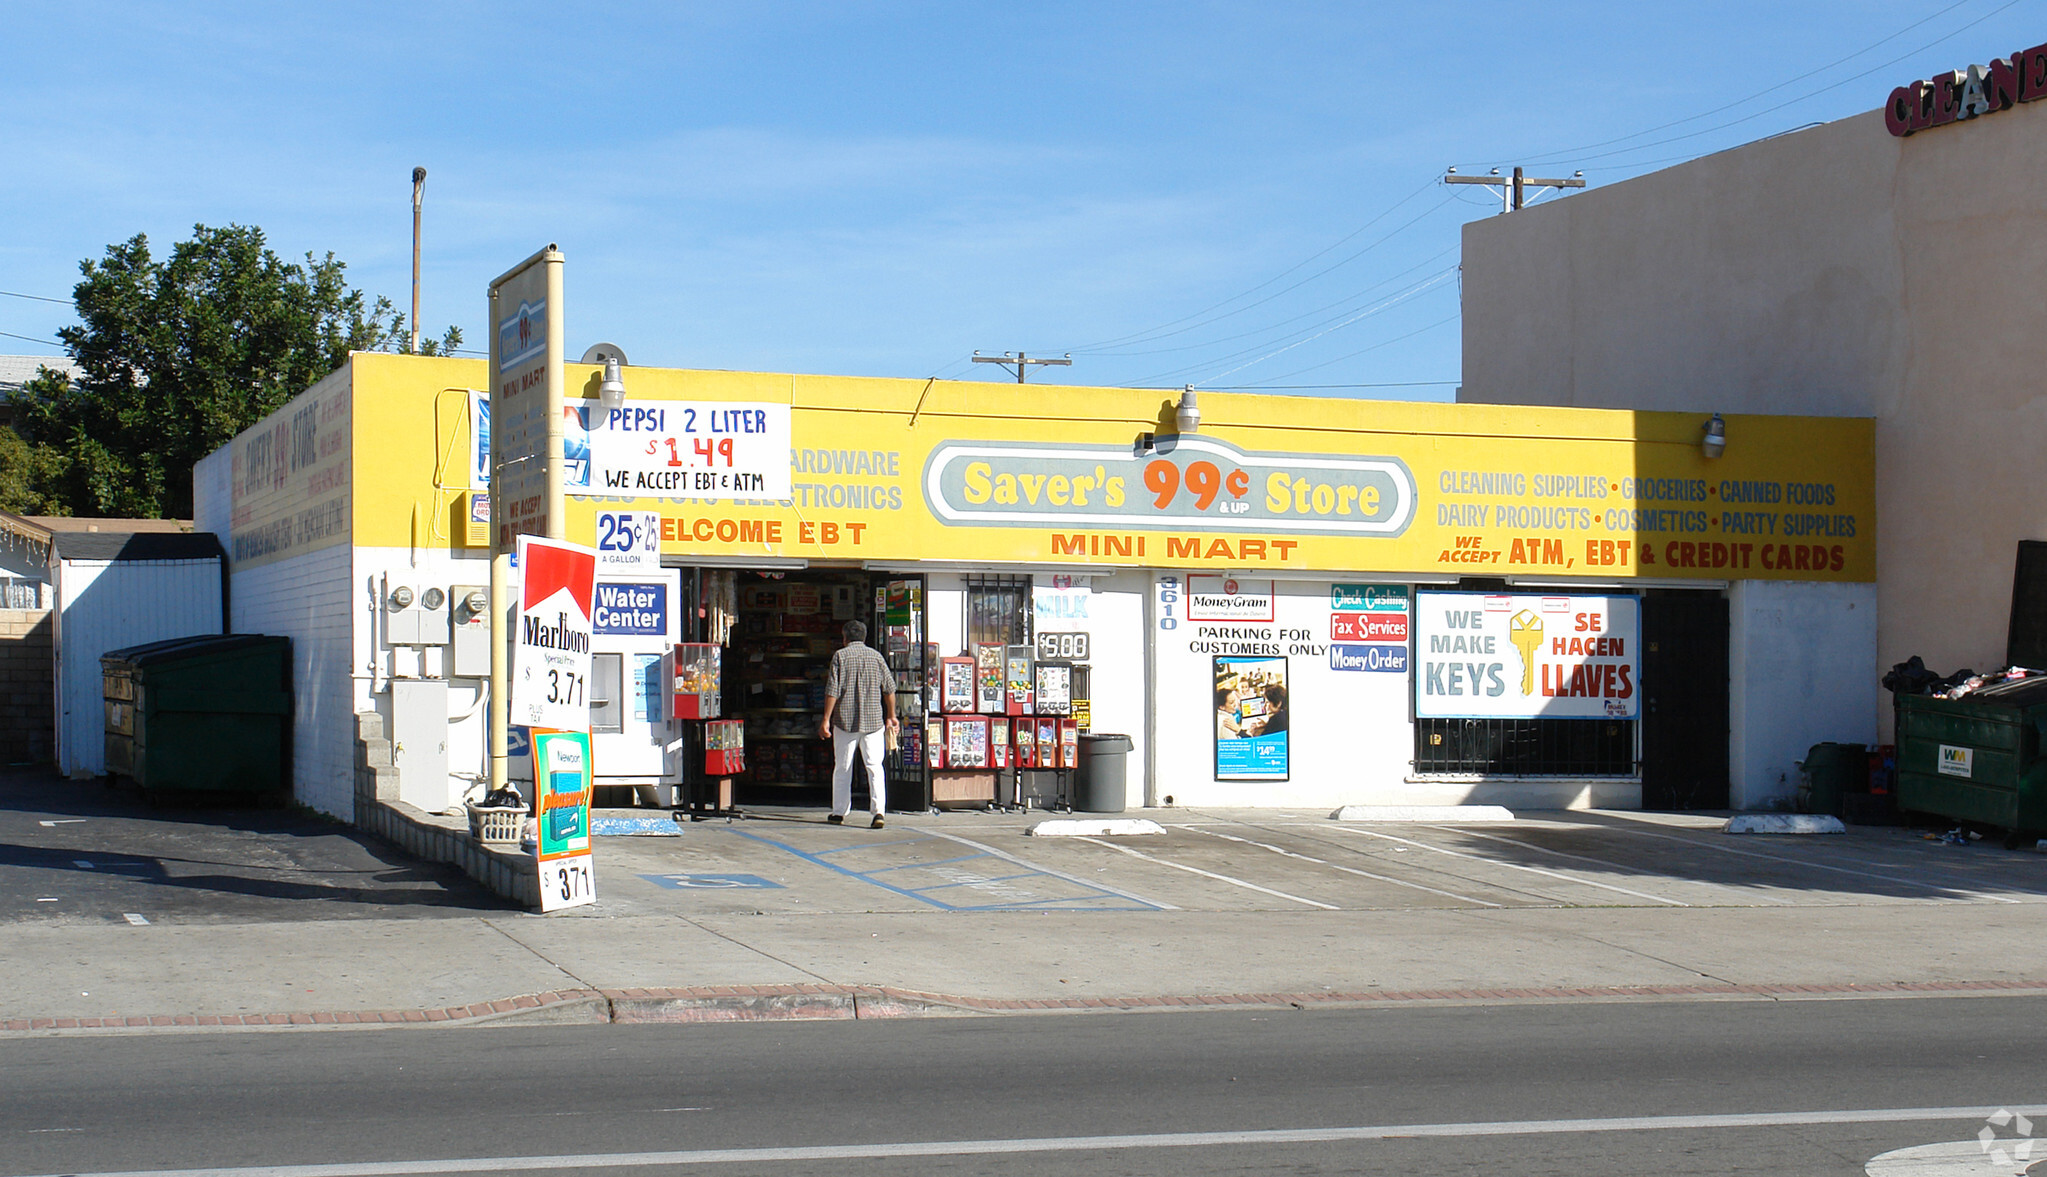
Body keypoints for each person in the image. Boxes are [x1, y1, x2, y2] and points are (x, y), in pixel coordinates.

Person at [819, 620, 899, 828]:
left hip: (845, 721)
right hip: (874, 722)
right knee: (874, 767)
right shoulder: (876, 657)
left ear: (845, 637)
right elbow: (889, 688)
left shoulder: (840, 656)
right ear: (864, 637)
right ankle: (878, 812)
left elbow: (832, 690)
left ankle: (839, 812)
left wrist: (826, 719)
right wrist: (891, 715)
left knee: (843, 767)